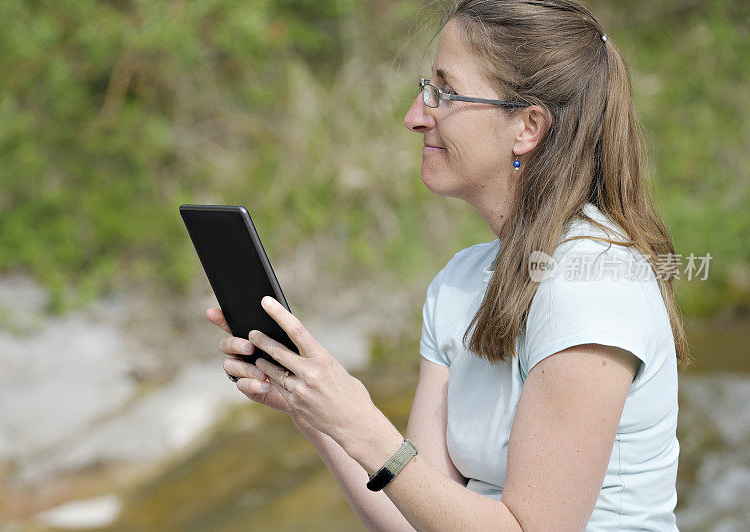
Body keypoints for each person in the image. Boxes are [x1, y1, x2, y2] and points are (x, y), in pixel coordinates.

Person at [209, 0, 690, 529]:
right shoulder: (460, 283)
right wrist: (315, 406)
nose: (416, 116)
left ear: (527, 128)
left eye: (445, 93)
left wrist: (362, 421)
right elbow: (413, 518)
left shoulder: (592, 282)